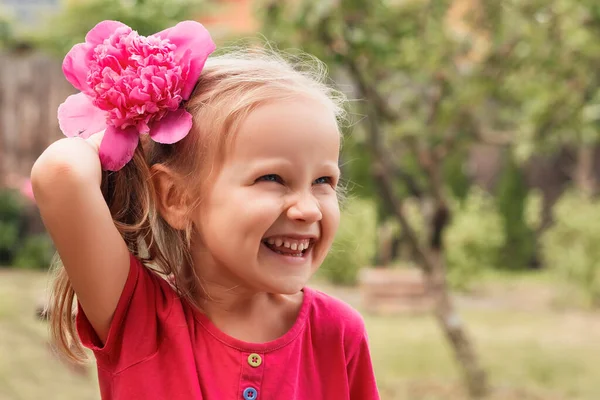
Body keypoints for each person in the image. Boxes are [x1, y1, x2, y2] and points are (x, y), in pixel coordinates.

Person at [31, 20, 380, 400]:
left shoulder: (338, 334)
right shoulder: (138, 318)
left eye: (324, 181)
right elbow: (61, 173)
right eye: (273, 178)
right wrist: (136, 116)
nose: (308, 209)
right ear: (176, 197)